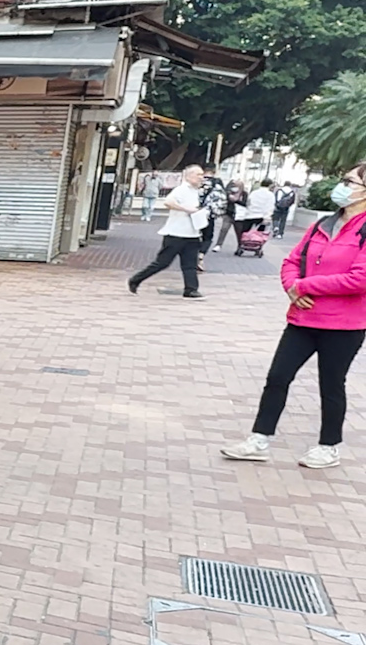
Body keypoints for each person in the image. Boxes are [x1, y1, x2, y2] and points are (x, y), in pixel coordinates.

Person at [221, 162, 366, 468]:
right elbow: (292, 261)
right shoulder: (323, 224)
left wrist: (306, 286)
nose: (342, 186)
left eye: (350, 182)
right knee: (277, 377)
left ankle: (328, 446)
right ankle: (259, 439)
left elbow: (360, 278)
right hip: (303, 318)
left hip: (343, 325)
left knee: (331, 384)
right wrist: (291, 286)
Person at [128, 164, 207, 298]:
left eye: (202, 175)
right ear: (188, 176)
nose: (201, 177)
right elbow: (168, 202)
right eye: (198, 174)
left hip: (192, 234)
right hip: (175, 234)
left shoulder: (197, 192)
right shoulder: (181, 190)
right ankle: (135, 280)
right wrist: (186, 209)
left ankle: (191, 289)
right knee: (162, 262)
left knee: (190, 264)